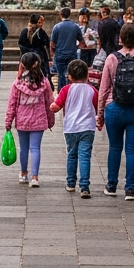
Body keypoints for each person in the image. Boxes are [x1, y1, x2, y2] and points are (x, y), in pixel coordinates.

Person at [96, 22, 134, 200]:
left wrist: (100, 113)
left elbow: (103, 89)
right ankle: (130, 188)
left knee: (115, 148)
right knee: (132, 150)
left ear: (120, 39)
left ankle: (111, 185)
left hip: (114, 108)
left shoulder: (111, 58)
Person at [5, 51, 55, 187]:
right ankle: (35, 177)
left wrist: (8, 121)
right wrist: (51, 120)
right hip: (39, 120)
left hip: (22, 120)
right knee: (35, 148)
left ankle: (23, 173)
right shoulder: (44, 83)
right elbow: (49, 102)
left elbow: (12, 104)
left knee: (24, 148)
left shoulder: (17, 83)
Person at [51, 59, 98, 197]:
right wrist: (100, 120)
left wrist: (50, 106)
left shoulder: (66, 89)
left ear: (69, 76)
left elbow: (56, 106)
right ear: (87, 75)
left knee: (72, 155)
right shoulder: (92, 90)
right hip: (88, 127)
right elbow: (97, 107)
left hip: (70, 127)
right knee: (85, 156)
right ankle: (84, 187)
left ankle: (71, 183)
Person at [50, 7, 82, 90]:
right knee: (72, 73)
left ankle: (62, 92)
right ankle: (71, 90)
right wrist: (76, 47)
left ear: (61, 15)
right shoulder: (75, 27)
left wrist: (52, 54)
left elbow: (52, 44)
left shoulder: (57, 27)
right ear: (70, 15)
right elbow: (82, 42)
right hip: (72, 54)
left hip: (60, 54)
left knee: (60, 74)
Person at [19, 14, 50, 81]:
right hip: (29, 57)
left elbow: (47, 42)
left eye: (42, 23)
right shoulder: (26, 31)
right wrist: (28, 52)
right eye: (39, 22)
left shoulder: (41, 32)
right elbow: (21, 44)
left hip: (40, 56)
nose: (41, 24)